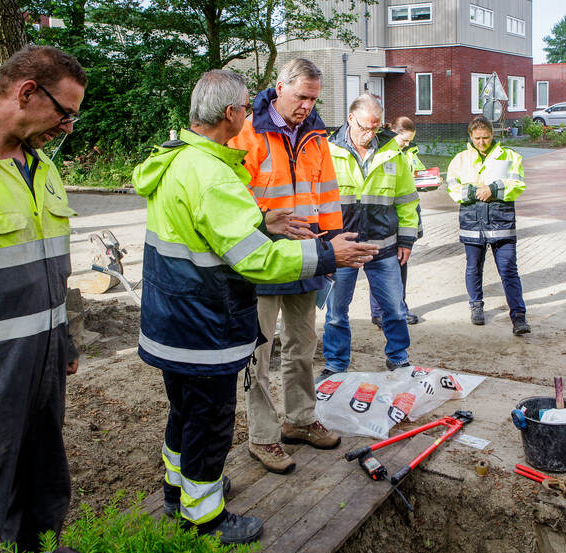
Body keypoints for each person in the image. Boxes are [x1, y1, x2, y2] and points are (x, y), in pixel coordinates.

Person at [132, 70, 378, 543]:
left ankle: (176, 491)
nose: (248, 113)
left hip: (173, 319)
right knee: (209, 422)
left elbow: (207, 234)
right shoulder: (212, 175)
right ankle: (205, 518)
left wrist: (263, 219)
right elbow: (256, 261)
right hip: (205, 323)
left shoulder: (178, 160)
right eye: (245, 107)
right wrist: (328, 254)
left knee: (183, 413)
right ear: (230, 114)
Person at [227, 59, 343, 475]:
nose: (307, 106)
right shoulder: (247, 131)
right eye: (301, 97)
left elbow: (328, 196)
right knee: (256, 352)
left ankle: (299, 419)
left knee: (302, 345)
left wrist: (330, 251)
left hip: (307, 257)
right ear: (279, 88)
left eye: (314, 98)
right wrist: (262, 226)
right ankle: (262, 436)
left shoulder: (316, 135)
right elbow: (232, 199)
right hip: (259, 256)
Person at [0, 45, 84, 551]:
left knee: (44, 472)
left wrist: (63, 339)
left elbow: (53, 271)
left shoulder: (43, 170)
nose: (68, 127)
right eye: (64, 112)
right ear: (27, 93)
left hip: (44, 359)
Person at [321, 94, 420, 379]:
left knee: (395, 309)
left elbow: (407, 200)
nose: (370, 134)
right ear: (350, 118)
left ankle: (398, 358)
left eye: (376, 127)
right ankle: (336, 365)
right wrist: (322, 244)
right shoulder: (327, 151)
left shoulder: (392, 152)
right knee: (336, 312)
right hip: (341, 248)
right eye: (365, 127)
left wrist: (407, 240)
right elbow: (316, 201)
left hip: (384, 246)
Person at [446, 116, 531, 336]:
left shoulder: (510, 157)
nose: (481, 142)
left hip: (501, 223)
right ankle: (476, 306)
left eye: (485, 137)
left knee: (509, 271)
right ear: (470, 136)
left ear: (493, 135)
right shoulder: (460, 160)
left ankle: (519, 317)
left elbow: (517, 184)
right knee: (473, 268)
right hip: (473, 222)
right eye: (477, 138)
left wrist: (493, 189)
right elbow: (453, 188)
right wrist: (475, 192)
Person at [369, 116, 424, 327]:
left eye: (411, 140)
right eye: (405, 140)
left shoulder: (408, 152)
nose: (408, 144)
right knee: (381, 266)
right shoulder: (383, 152)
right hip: (383, 218)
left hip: (405, 215)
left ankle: (400, 306)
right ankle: (379, 312)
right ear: (393, 131)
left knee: (400, 265)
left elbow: (414, 176)